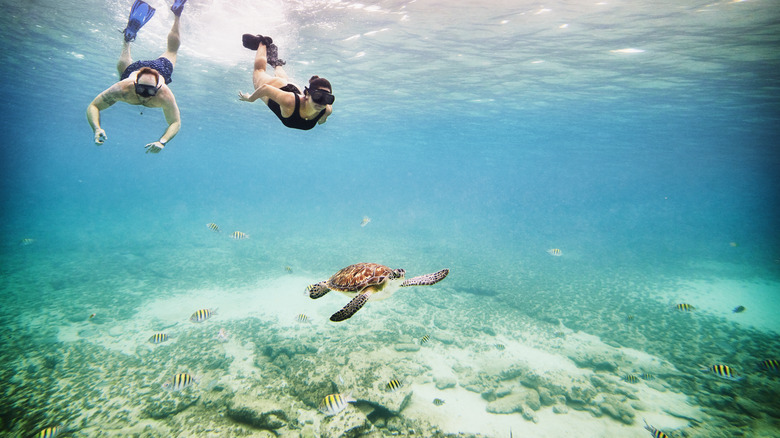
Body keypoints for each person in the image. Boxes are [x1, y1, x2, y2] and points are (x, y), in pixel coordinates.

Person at [86, 0, 188, 153]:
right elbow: (93, 106)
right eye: (141, 90)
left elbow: (176, 123)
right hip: (140, 72)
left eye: (149, 92)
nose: (145, 96)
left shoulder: (164, 94)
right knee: (171, 51)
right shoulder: (123, 87)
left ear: (158, 88)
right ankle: (177, 15)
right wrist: (96, 128)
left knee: (124, 70)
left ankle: (128, 39)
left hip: (156, 70)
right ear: (134, 85)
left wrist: (162, 142)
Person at [238, 34, 333, 130]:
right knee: (259, 72)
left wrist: (323, 118)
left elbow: (325, 109)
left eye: (327, 99)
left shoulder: (326, 109)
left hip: (293, 91)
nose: (321, 103)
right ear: (307, 94)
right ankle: (262, 42)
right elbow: (265, 88)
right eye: (318, 96)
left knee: (284, 80)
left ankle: (276, 63)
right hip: (280, 89)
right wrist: (250, 99)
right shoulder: (289, 101)